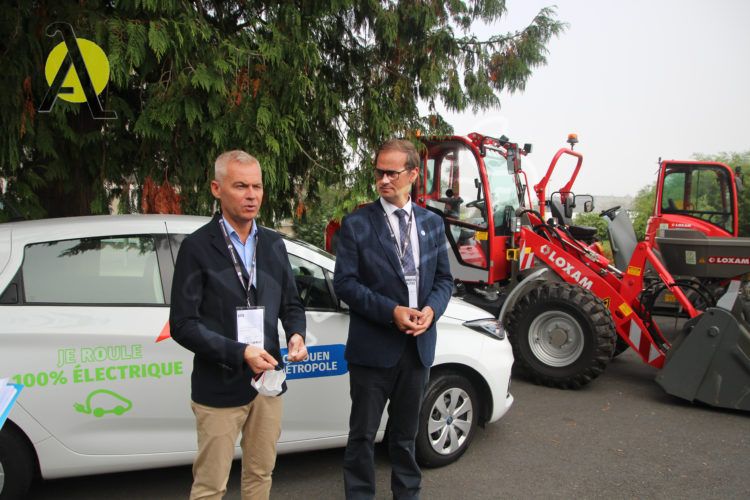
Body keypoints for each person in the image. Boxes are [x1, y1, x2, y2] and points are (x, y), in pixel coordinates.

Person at [170, 150, 307, 500]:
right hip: (218, 386)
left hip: (267, 383)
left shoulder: (274, 244)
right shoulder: (196, 247)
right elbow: (183, 324)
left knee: (261, 474)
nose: (252, 195)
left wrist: (296, 334)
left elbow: (291, 303)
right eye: (241, 186)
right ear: (217, 188)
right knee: (210, 486)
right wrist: (240, 351)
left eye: (257, 186)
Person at [333, 139, 453, 499]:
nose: (383, 180)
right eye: (379, 172)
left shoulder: (432, 223)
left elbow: (445, 280)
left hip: (417, 350)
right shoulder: (357, 223)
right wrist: (391, 312)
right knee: (363, 437)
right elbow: (345, 284)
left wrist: (431, 310)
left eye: (392, 173)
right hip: (373, 351)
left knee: (405, 438)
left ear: (413, 175)